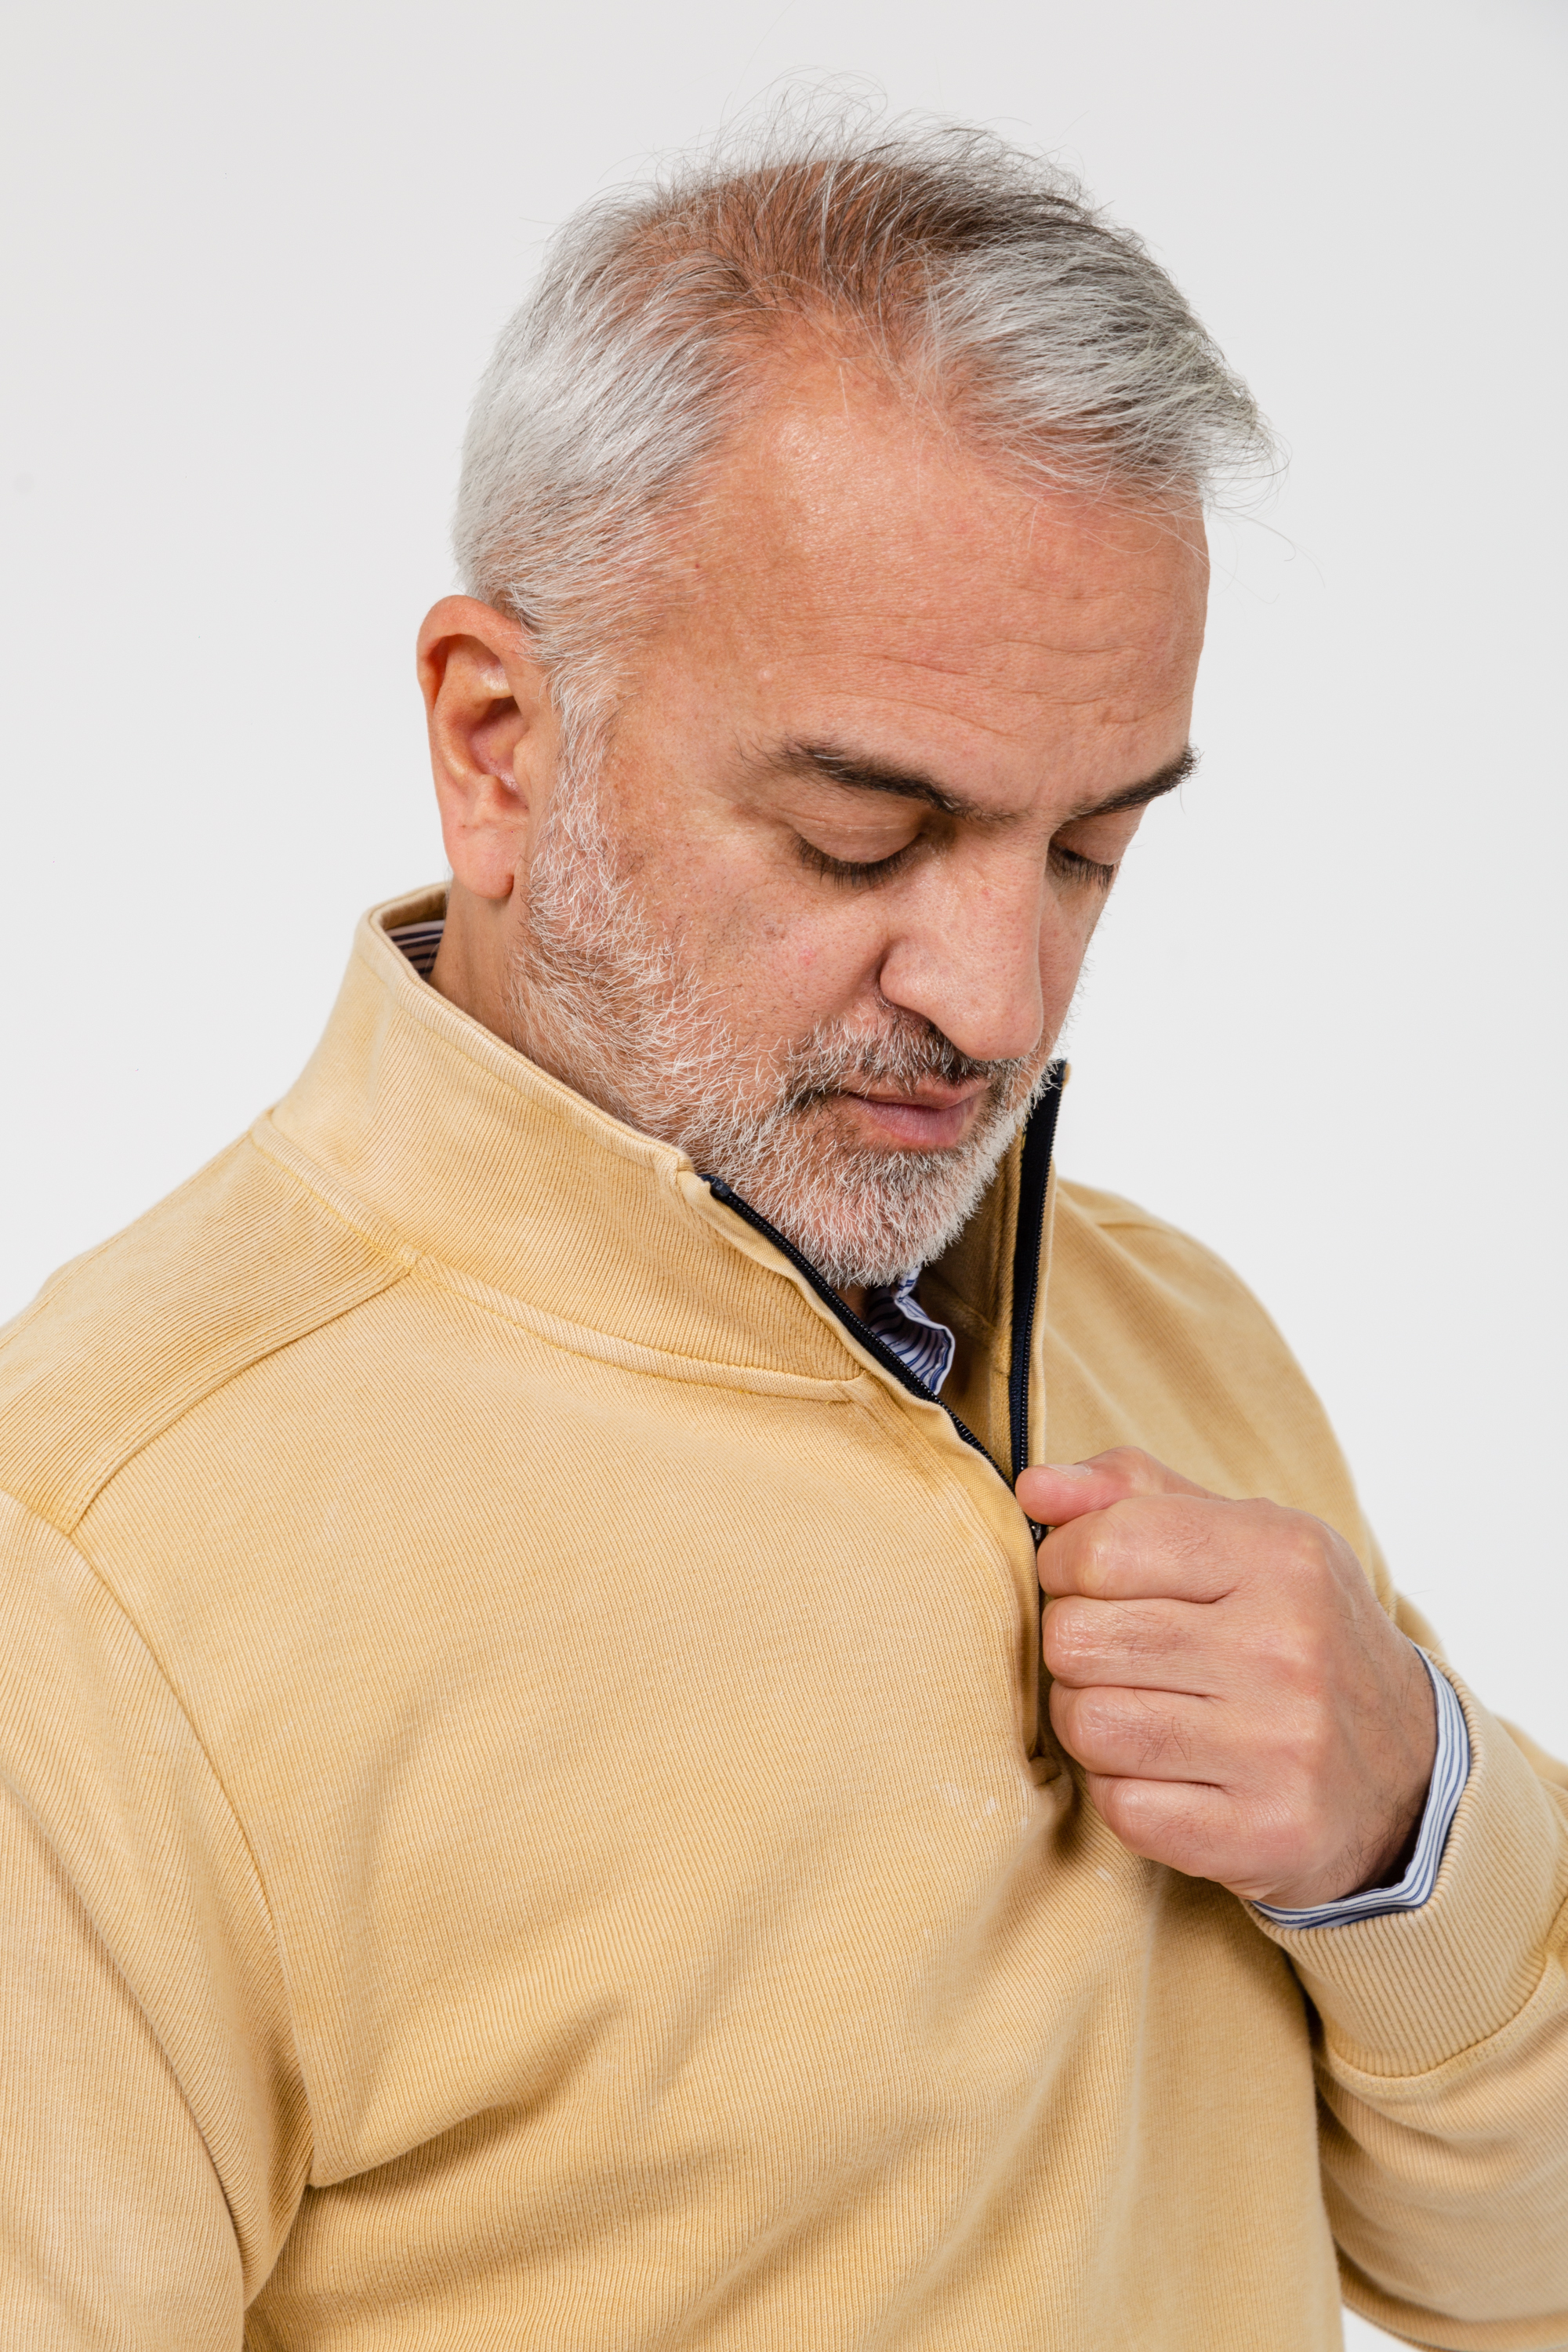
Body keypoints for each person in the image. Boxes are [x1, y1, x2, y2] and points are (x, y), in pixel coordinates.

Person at [2, 114, 1563, 2352]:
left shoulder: (1175, 1334)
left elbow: (1519, 2283)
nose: (1001, 1001)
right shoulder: (92, 1573)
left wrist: (1410, 1822)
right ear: (499, 744)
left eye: (1092, 850)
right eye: (863, 834)